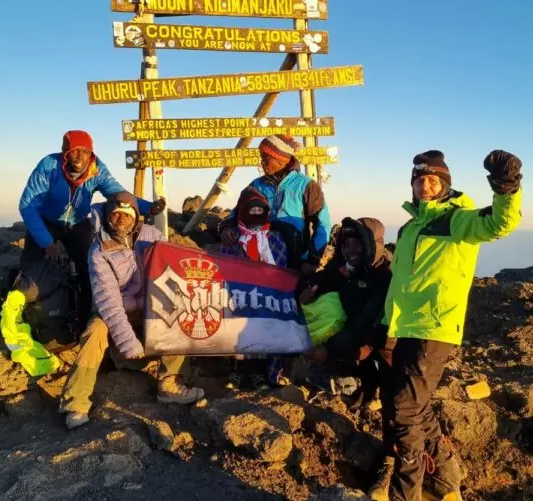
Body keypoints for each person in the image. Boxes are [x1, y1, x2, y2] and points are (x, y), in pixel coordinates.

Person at [385, 150, 523, 501]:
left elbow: (499, 223)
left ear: (445, 184)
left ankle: (406, 493)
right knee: (418, 406)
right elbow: (401, 281)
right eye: (419, 180)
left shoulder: (456, 220)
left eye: (432, 180)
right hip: (404, 327)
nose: (425, 186)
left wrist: (506, 187)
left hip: (433, 327)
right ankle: (446, 480)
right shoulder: (411, 226)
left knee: (404, 410)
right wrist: (385, 323)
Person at [59, 192, 203, 429]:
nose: (121, 219)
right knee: (94, 332)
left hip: (149, 305)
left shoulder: (153, 237)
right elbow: (109, 301)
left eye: (127, 214)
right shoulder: (99, 250)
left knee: (178, 313)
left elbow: (171, 270)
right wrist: (128, 342)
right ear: (107, 216)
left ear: (136, 216)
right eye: (115, 214)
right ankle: (75, 402)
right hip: (116, 308)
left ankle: (170, 383)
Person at [18, 130, 166, 319]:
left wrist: (148, 207)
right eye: (74, 151)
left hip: (77, 222)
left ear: (91, 153)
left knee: (88, 268)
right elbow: (28, 206)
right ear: (65, 152)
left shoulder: (96, 170)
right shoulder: (49, 166)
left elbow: (118, 194)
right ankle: (24, 311)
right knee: (30, 266)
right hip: (46, 221)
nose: (80, 156)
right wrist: (47, 243)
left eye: (85, 152)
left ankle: (84, 314)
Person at [298, 217, 396, 489]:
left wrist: (327, 350)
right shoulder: (345, 268)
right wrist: (309, 288)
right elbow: (324, 277)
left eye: (358, 244)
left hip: (386, 343)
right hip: (358, 336)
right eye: (346, 244)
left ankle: (393, 461)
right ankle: (360, 398)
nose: (351, 250)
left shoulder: (384, 276)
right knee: (340, 368)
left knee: (397, 404)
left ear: (372, 246)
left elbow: (366, 325)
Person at [220, 135, 331, 275]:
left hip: (295, 259)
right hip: (258, 256)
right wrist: (227, 227)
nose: (261, 162)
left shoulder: (306, 185)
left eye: (265, 158)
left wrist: (313, 260)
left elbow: (323, 224)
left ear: (280, 159)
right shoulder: (256, 185)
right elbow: (238, 212)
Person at [221, 187, 290, 391]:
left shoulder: (275, 237)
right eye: (252, 210)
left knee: (264, 330)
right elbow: (225, 266)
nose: (256, 215)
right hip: (239, 294)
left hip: (268, 295)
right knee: (237, 331)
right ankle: (238, 370)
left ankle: (260, 372)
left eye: (261, 210)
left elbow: (282, 266)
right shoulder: (232, 237)